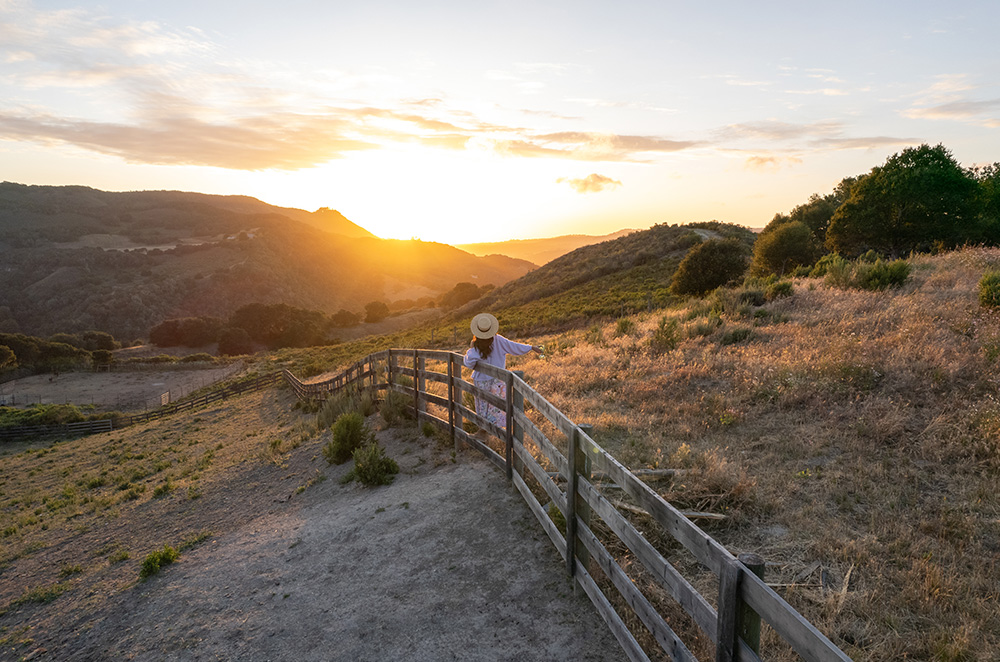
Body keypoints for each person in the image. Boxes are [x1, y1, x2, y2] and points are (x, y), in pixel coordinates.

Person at [463, 313, 542, 434]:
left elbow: (469, 362)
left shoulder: (477, 345)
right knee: (495, 408)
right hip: (497, 380)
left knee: (483, 407)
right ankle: (489, 433)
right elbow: (514, 347)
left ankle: (484, 433)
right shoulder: (498, 340)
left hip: (481, 381)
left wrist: (471, 348)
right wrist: (530, 347)